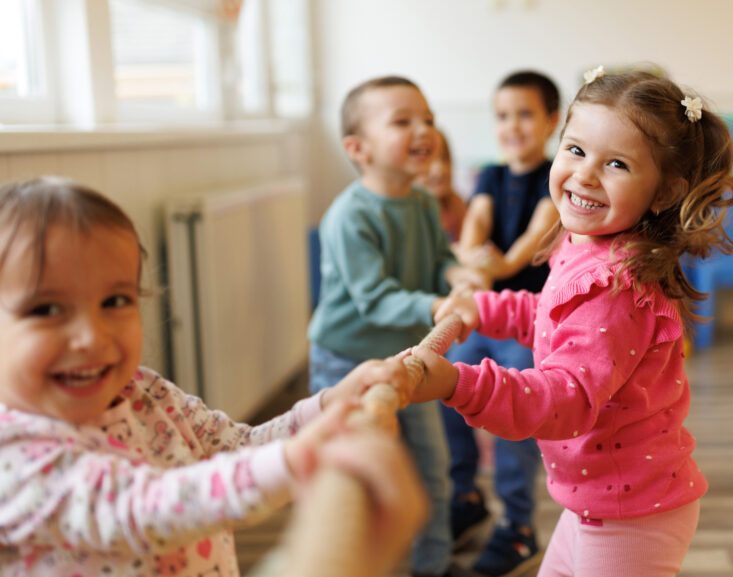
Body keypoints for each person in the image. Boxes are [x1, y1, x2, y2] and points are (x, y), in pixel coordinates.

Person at [0, 176, 429, 577]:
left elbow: (238, 447)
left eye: (114, 300)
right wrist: (295, 462)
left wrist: (328, 405)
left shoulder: (145, 392)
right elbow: (140, 508)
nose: (91, 337)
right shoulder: (13, 455)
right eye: (46, 309)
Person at [411, 68, 733, 577]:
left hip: (631, 515)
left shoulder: (616, 286)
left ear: (663, 192)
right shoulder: (588, 244)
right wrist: (483, 309)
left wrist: (459, 383)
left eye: (615, 163)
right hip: (599, 499)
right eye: (574, 150)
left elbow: (564, 399)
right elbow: (552, 317)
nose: (585, 175)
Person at [306, 76, 486, 577]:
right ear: (358, 148)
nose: (423, 130)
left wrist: (457, 273)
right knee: (354, 474)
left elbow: (438, 262)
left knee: (432, 469)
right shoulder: (348, 216)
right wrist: (436, 306)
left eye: (427, 118)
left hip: (409, 361)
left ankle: (433, 565)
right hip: (345, 361)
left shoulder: (425, 203)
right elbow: (375, 299)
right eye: (402, 121)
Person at [442, 70, 561, 577]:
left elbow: (532, 241)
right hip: (486, 314)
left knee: (515, 417)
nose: (513, 125)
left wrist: (495, 265)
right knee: (446, 384)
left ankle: (518, 525)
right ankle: (466, 494)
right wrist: (471, 256)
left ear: (552, 121)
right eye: (503, 115)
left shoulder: (558, 175)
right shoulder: (489, 175)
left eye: (526, 114)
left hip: (529, 323)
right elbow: (477, 221)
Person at [416, 130, 467, 244]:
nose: (439, 170)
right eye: (429, 160)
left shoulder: (457, 205)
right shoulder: (411, 211)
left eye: (445, 158)